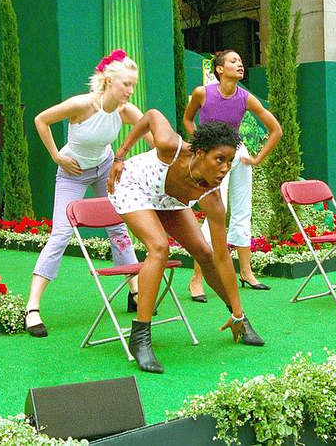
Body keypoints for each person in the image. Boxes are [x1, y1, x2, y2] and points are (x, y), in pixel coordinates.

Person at [107, 110, 264, 373]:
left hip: (169, 199)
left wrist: (238, 312)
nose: (225, 168)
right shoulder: (172, 146)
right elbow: (151, 115)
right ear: (200, 153)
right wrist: (120, 156)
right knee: (159, 247)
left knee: (204, 252)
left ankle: (242, 322)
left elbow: (222, 256)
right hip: (133, 186)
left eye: (229, 161)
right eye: (219, 160)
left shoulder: (212, 197)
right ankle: (140, 337)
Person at [25, 49, 151, 338]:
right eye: (126, 85)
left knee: (118, 227)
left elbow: (151, 131)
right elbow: (41, 120)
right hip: (72, 170)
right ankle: (32, 307)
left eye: (133, 84)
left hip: (104, 167)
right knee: (60, 234)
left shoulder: (125, 110)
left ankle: (134, 292)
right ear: (108, 81)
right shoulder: (82, 105)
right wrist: (56, 156)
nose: (130, 91)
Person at [183, 50, 282, 300]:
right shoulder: (202, 93)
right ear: (219, 69)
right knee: (216, 210)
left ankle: (246, 273)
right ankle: (197, 279)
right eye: (233, 61)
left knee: (242, 210)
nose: (240, 64)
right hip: (212, 158)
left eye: (240, 60)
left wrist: (257, 158)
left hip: (238, 154)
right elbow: (187, 119)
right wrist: (200, 149)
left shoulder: (246, 98)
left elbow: (275, 130)